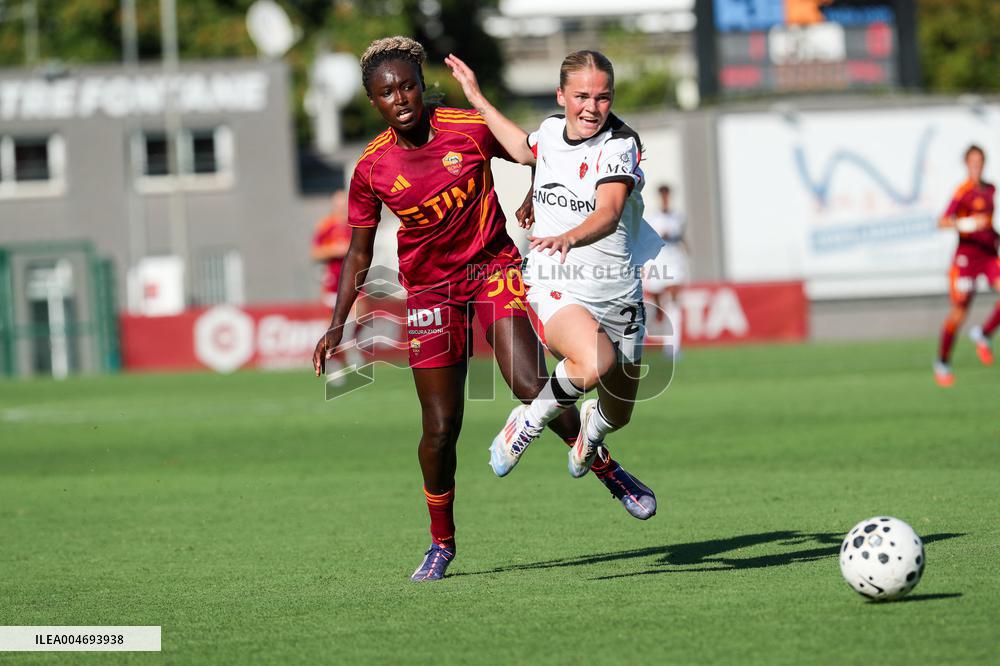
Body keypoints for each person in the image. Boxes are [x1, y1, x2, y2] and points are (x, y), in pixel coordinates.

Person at [312, 37, 655, 582]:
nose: (399, 97)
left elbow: (535, 153)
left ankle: (605, 468)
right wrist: (338, 324)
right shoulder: (372, 168)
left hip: (492, 270)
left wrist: (537, 195)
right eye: (386, 92)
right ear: (372, 101)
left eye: (406, 85)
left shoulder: (465, 127)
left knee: (527, 381)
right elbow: (357, 249)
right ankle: (441, 542)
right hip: (429, 292)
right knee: (441, 427)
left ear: (422, 85)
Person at [446, 50, 662, 494]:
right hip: (556, 282)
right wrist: (477, 99)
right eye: (581, 95)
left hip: (618, 293)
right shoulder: (549, 131)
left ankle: (591, 432)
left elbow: (609, 211)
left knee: (618, 414)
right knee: (593, 362)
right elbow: (523, 149)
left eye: (603, 98)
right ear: (560, 94)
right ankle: (525, 423)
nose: (591, 107)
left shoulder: (620, 144)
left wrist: (572, 235)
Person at [934, 145, 1000, 387]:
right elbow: (942, 222)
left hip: (989, 255)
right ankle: (942, 361)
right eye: (972, 162)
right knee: (959, 312)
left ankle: (983, 334)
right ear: (966, 164)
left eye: (980, 162)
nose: (976, 166)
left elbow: (989, 224)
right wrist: (969, 224)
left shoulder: (991, 189)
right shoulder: (962, 191)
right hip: (966, 259)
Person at [642, 184, 688, 358]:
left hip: (674, 262)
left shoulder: (679, 217)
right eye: (663, 195)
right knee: (656, 307)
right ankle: (644, 340)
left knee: (673, 302)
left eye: (667, 195)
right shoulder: (652, 218)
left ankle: (673, 347)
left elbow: (682, 237)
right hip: (657, 263)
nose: (665, 198)